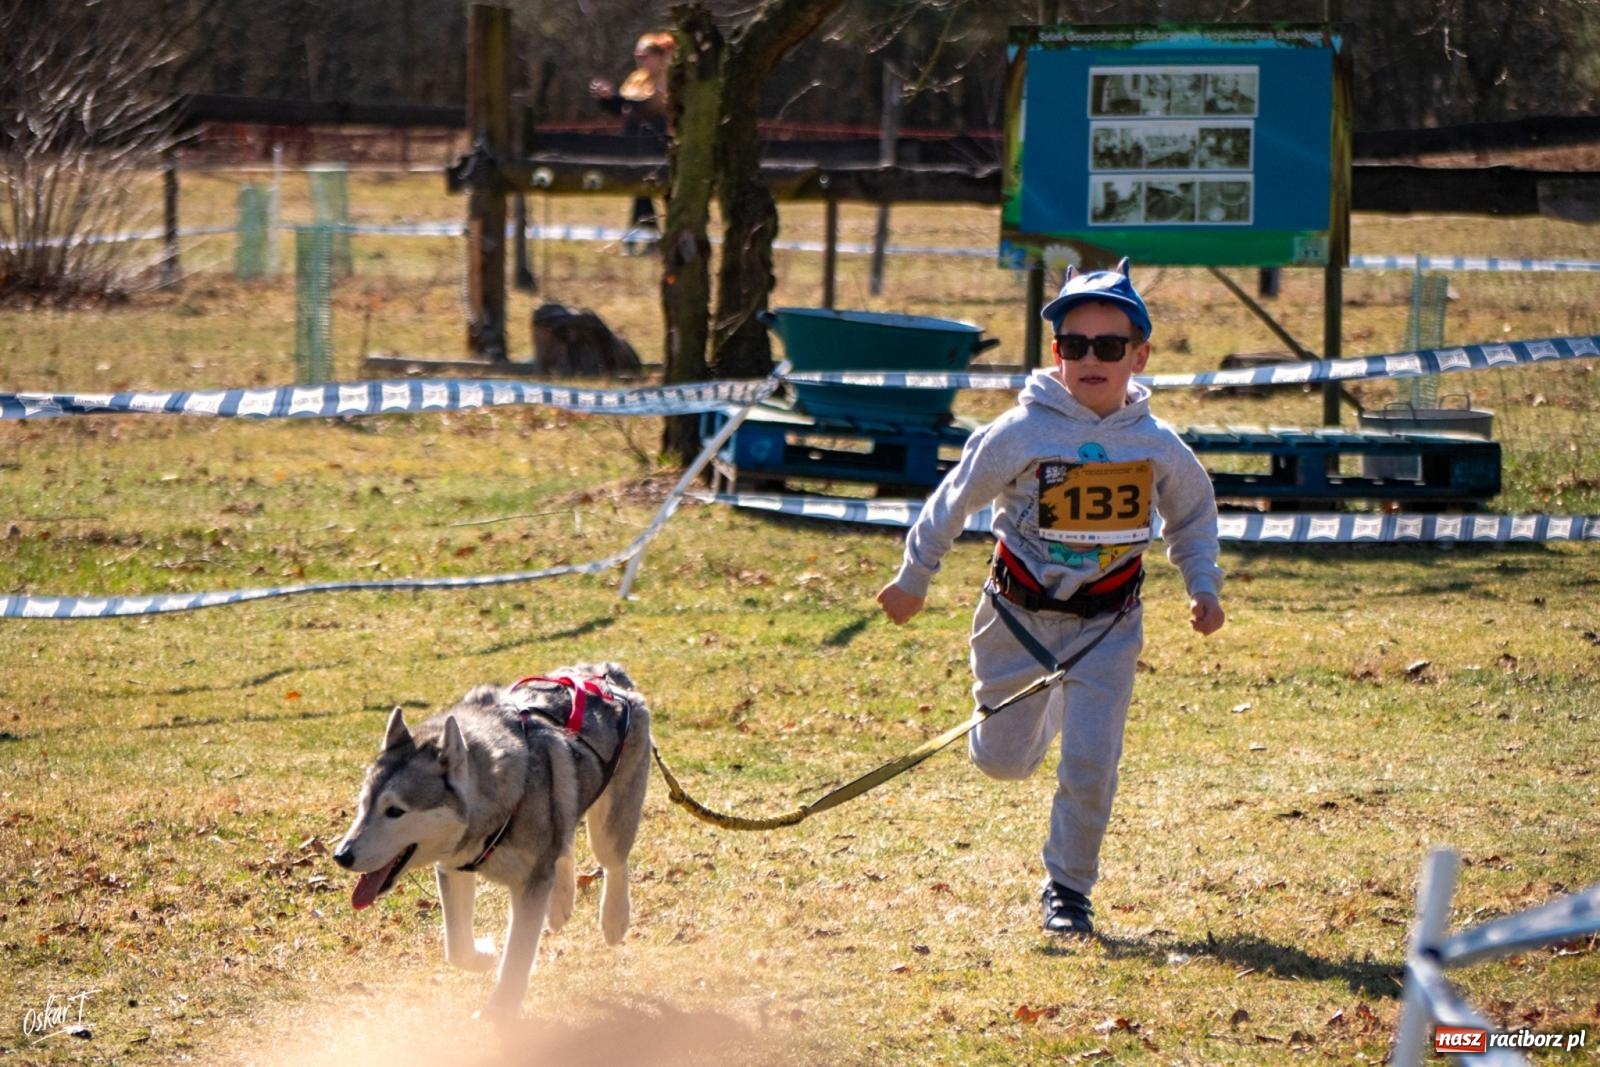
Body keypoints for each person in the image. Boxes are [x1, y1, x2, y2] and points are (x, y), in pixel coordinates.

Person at [876, 259, 1226, 937]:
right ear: (1057, 353)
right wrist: (915, 576)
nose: (1091, 359)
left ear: (1139, 356)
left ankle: (1068, 890)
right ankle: (1040, 709)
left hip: (1108, 628)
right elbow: (953, 500)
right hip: (1016, 620)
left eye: (1110, 346)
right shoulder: (1020, 432)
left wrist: (1203, 584)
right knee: (1003, 761)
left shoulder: (1156, 445)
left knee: (1091, 764)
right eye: (1075, 344)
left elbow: (1193, 516)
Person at [589, 32, 675, 254]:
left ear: (659, 57)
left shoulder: (668, 79)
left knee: (662, 192)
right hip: (635, 145)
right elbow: (624, 108)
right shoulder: (636, 79)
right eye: (637, 56)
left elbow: (648, 105)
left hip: (660, 145)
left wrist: (617, 99)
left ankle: (655, 239)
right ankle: (646, 239)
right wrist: (606, 99)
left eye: (645, 56)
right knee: (641, 189)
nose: (639, 60)